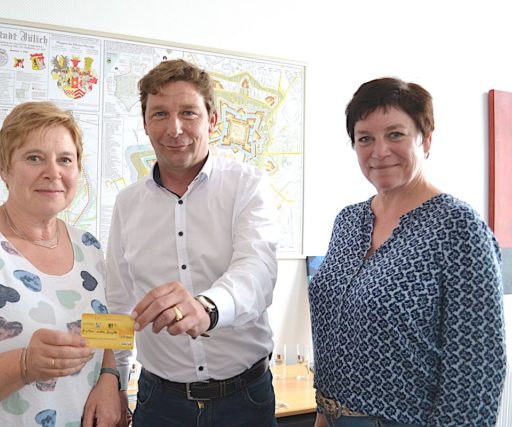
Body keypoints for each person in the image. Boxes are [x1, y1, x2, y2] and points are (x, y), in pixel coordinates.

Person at [309, 78, 506, 427]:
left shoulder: (457, 226)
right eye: (365, 138)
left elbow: (476, 367)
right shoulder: (349, 220)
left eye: (395, 135)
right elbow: (333, 331)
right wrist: (325, 412)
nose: (379, 151)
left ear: (425, 139)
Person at [0, 101, 120, 427]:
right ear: (3, 168)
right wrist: (25, 364)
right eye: (34, 157)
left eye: (65, 160)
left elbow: (104, 331)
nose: (53, 172)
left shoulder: (89, 248)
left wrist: (110, 379)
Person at [106, 59, 280, 426]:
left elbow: (257, 270)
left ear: (212, 120)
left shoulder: (247, 186)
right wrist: (114, 380)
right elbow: (119, 300)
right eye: (160, 114)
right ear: (145, 124)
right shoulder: (127, 204)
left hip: (244, 400)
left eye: (188, 112)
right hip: (159, 403)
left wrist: (208, 308)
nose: (174, 128)